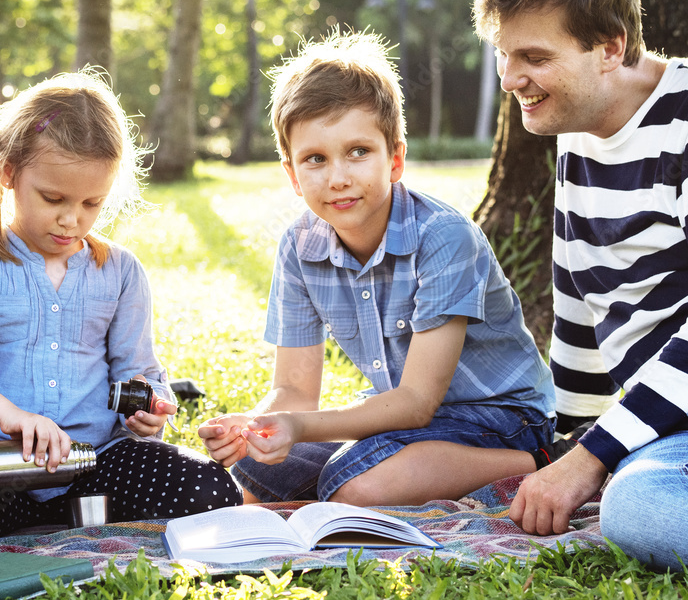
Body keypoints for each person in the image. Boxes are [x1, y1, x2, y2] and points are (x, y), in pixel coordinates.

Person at [198, 31, 556, 508]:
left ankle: (541, 461)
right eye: (315, 160)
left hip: (500, 419)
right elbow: (295, 391)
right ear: (292, 175)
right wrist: (251, 428)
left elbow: (416, 402)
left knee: (356, 484)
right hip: (400, 423)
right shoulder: (299, 247)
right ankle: (337, 488)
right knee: (254, 471)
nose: (338, 177)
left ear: (395, 158)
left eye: (358, 152)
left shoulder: (444, 237)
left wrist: (300, 429)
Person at [0, 69, 241, 540]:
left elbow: (138, 372)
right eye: (53, 198)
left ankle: (50, 526)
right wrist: (10, 416)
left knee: (209, 488)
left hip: (95, 465)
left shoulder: (120, 271)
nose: (72, 219)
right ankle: (51, 526)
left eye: (92, 203)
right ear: (8, 171)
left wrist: (149, 411)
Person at [474, 0, 688, 570]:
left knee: (640, 511)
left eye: (534, 57)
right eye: (505, 56)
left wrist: (592, 459)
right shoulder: (580, 127)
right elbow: (581, 296)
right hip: (664, 425)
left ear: (610, 48)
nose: (513, 79)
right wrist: (570, 446)